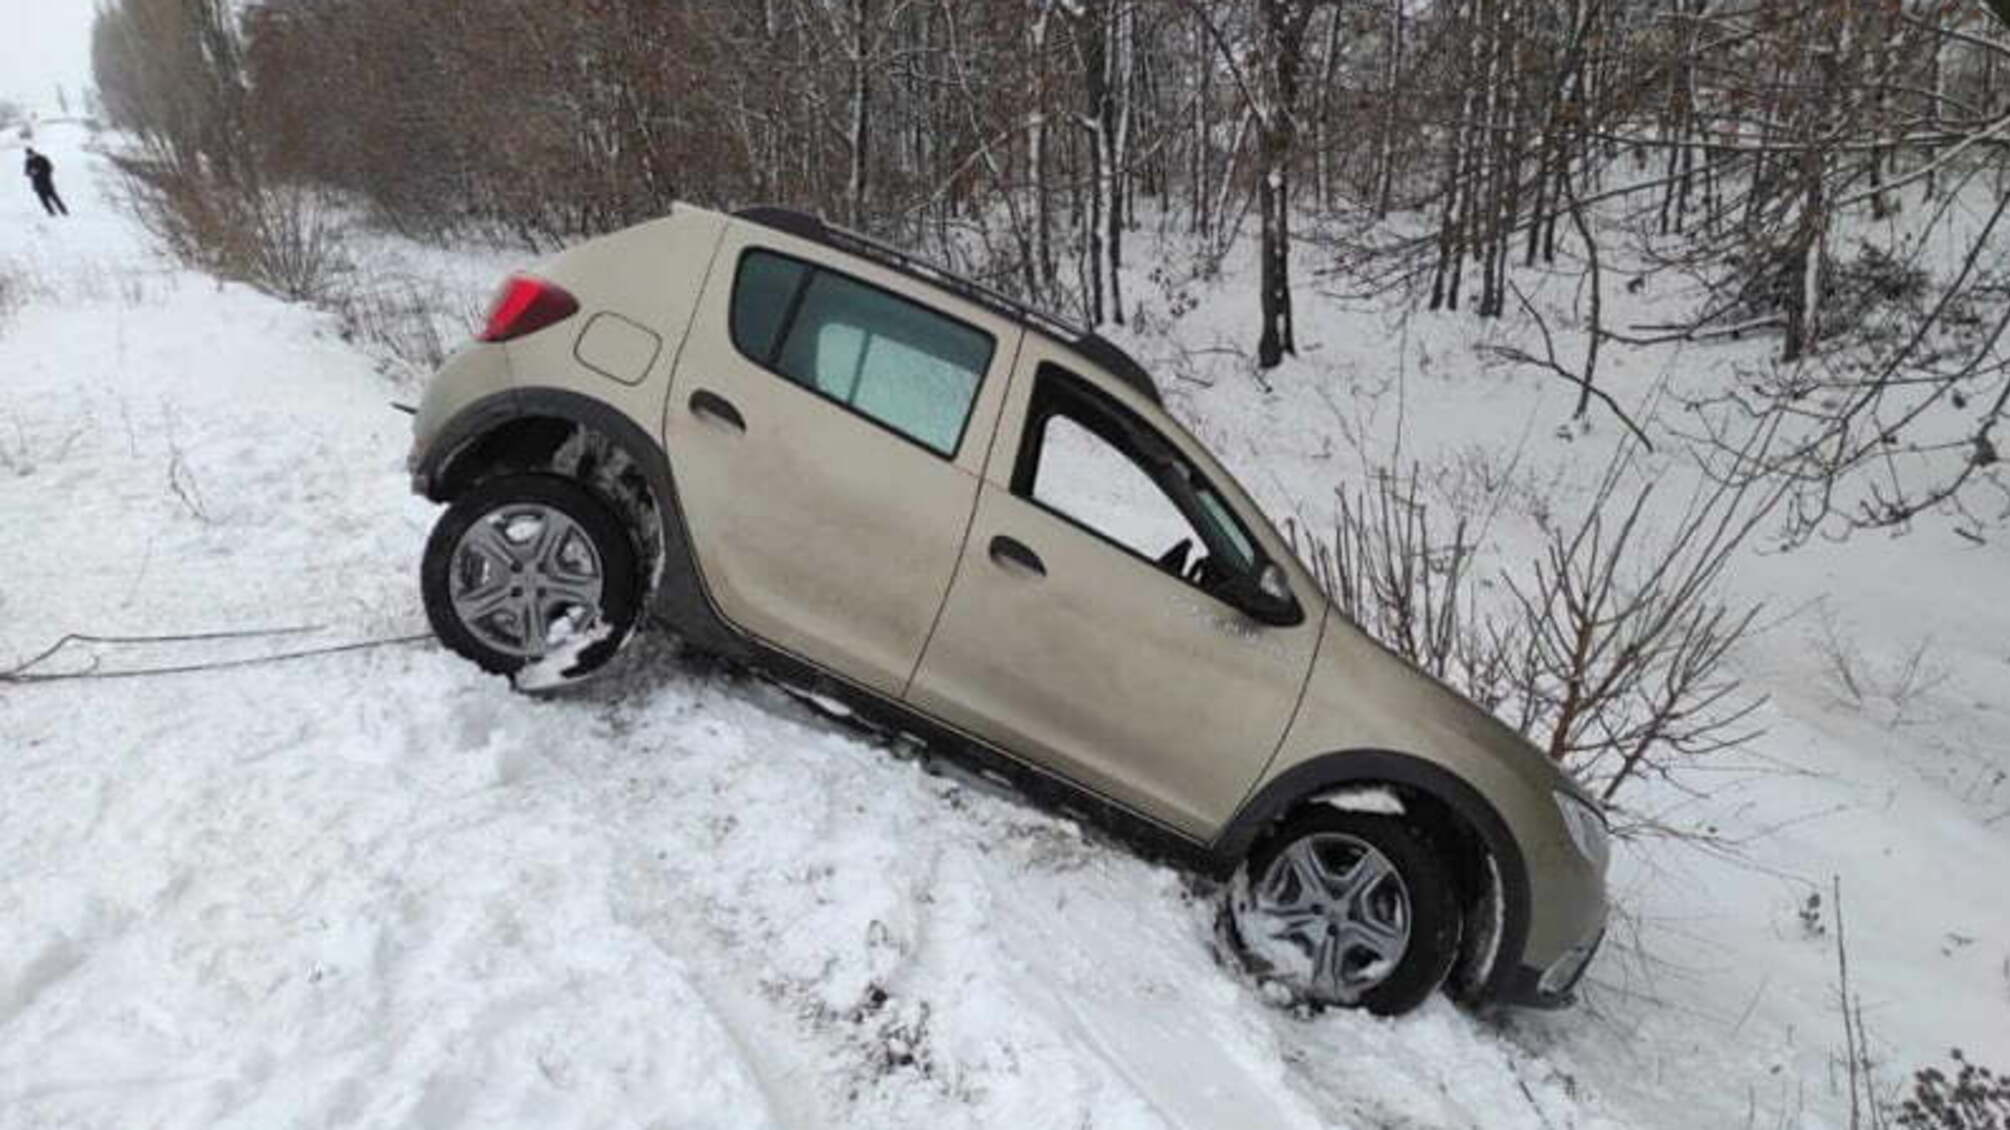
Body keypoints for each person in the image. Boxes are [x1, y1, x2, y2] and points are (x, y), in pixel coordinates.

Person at [24, 147, 66, 216]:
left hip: (47, 183)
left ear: (34, 153)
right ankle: (51, 213)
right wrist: (31, 172)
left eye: (31, 154)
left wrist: (39, 171)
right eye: (28, 155)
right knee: (44, 201)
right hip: (37, 184)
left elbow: (50, 168)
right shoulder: (28, 161)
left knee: (54, 198)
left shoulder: (42, 158)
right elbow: (26, 172)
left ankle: (63, 211)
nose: (30, 156)